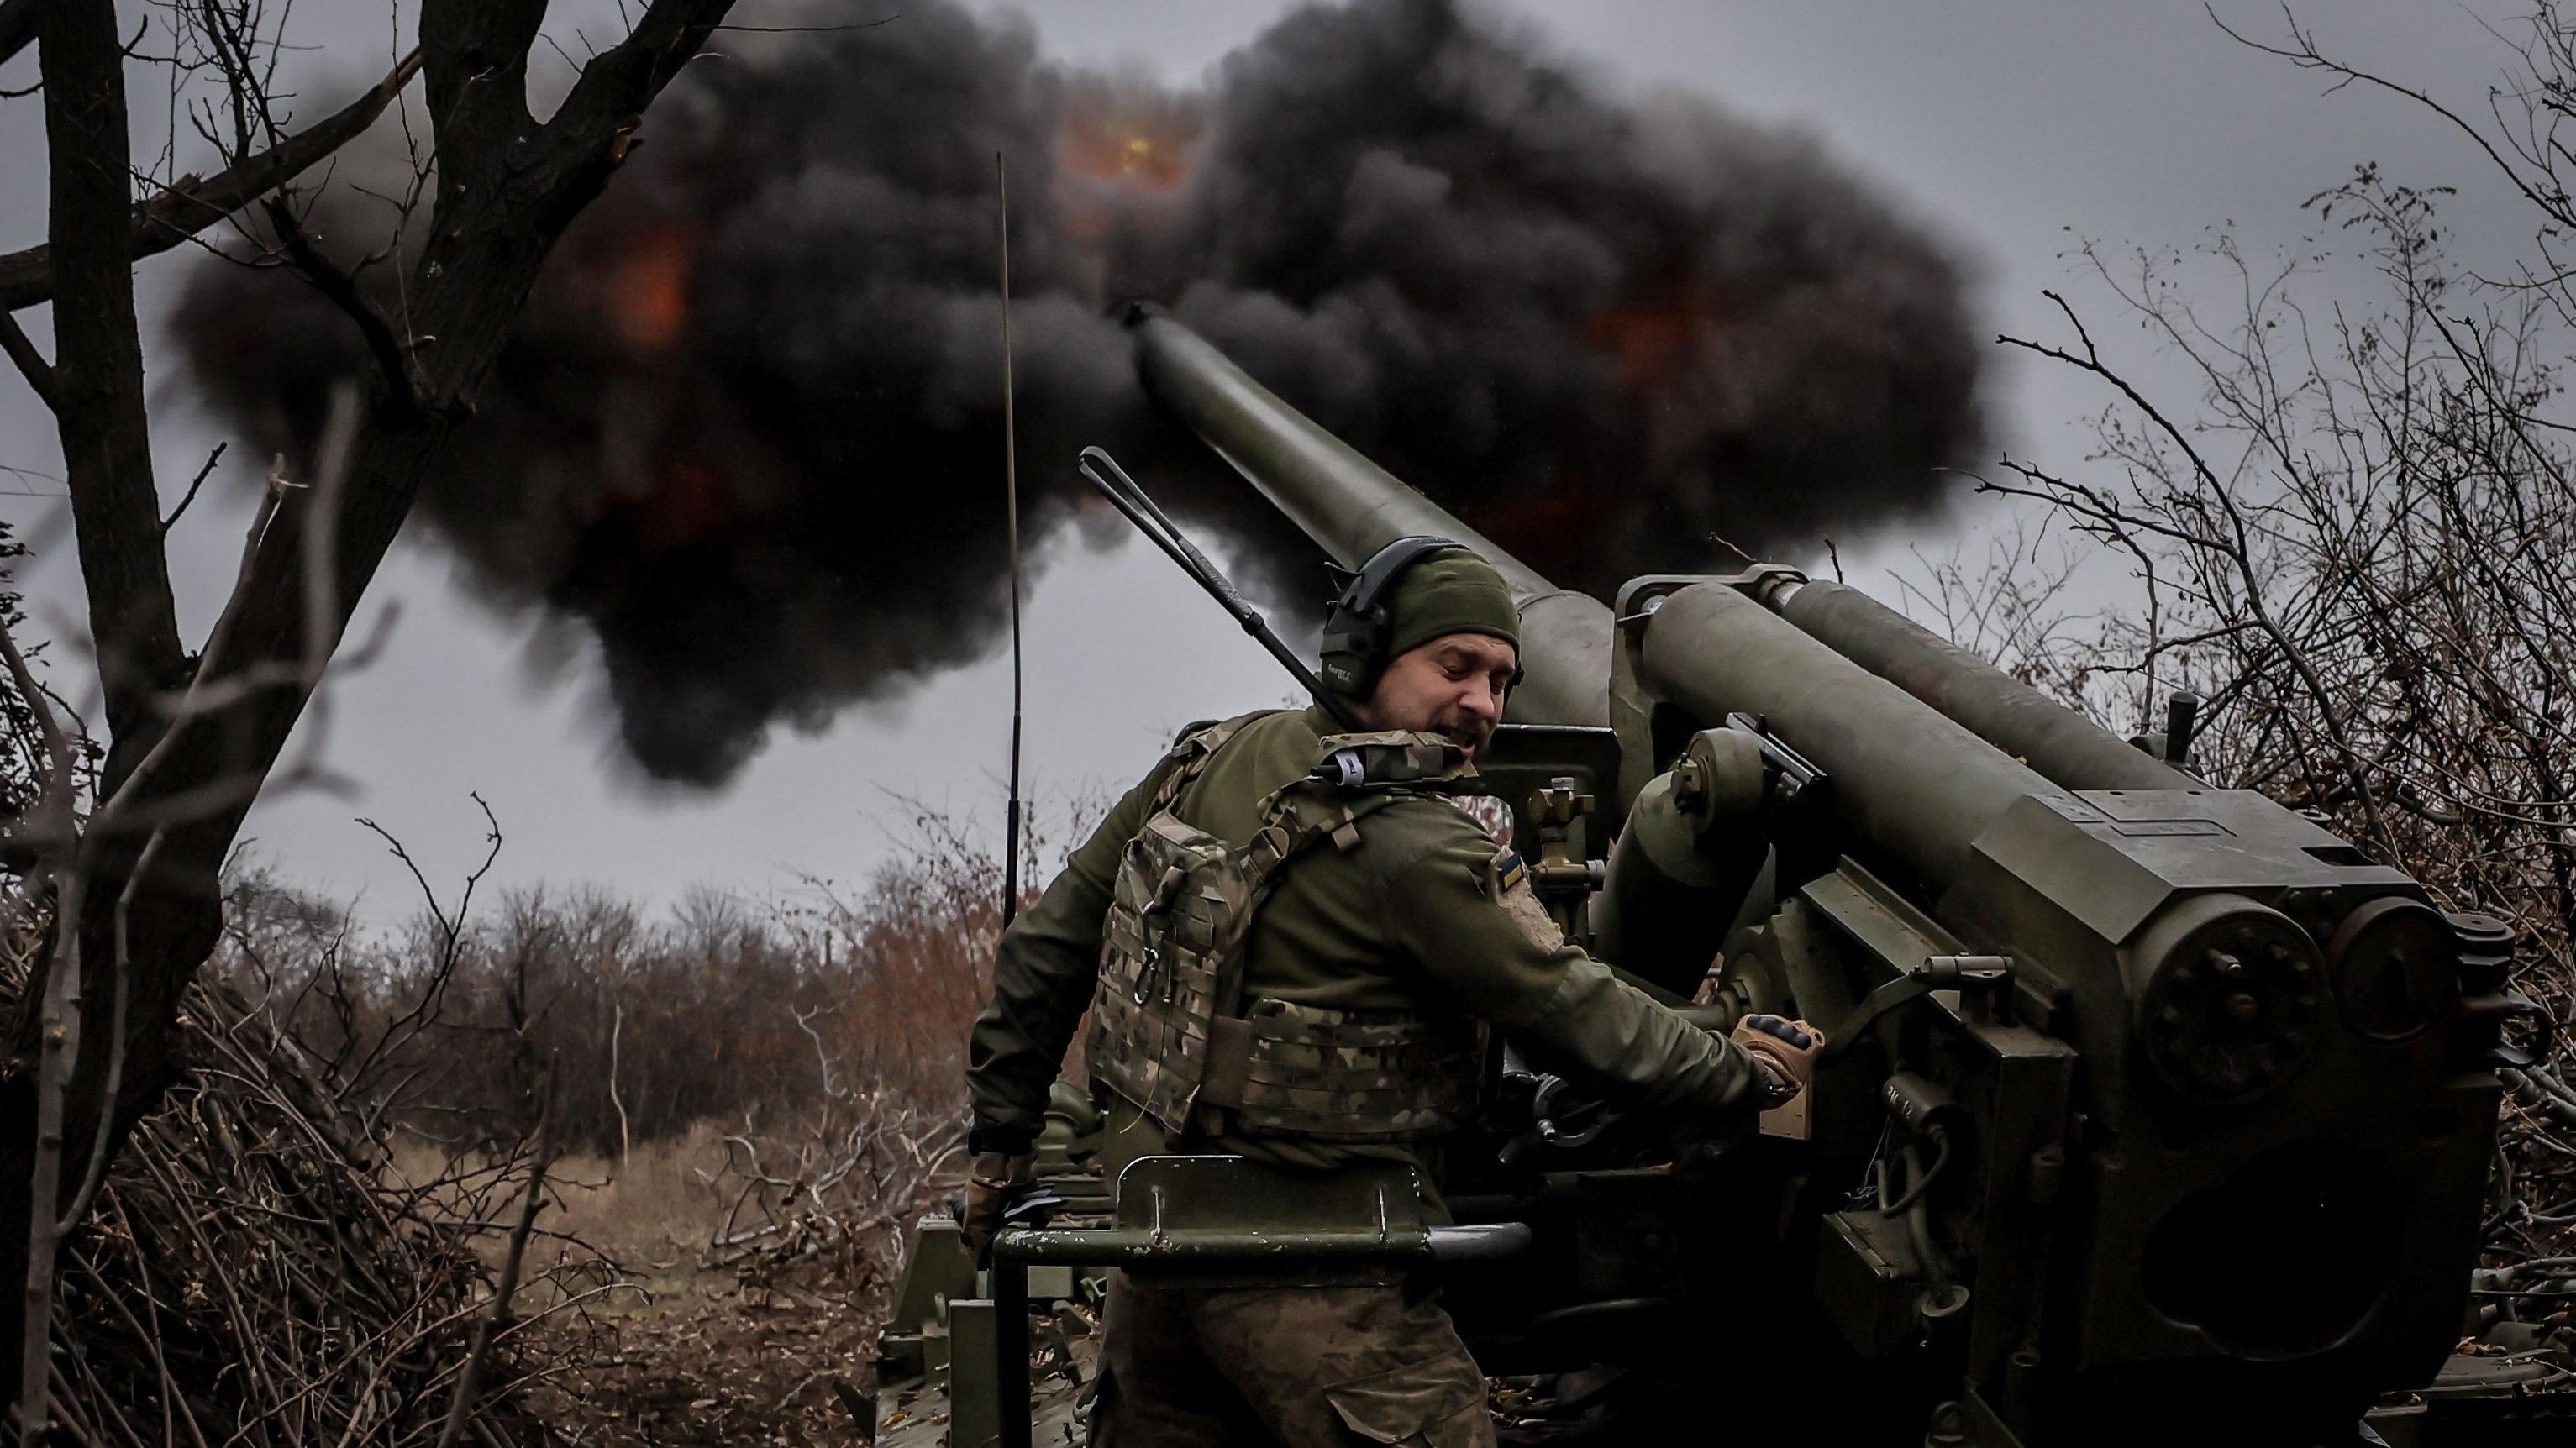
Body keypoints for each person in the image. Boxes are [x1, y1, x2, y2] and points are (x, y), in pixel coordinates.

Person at [961, 538, 1815, 1448]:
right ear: (1359, 659)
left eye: (1501, 681)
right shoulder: (1419, 846)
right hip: (1325, 1282)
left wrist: (1000, 1151)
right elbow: (1578, 1015)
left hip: (1158, 1253)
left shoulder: (1201, 761)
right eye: (1455, 666)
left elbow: (1044, 952)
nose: (1482, 703)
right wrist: (1746, 1073)